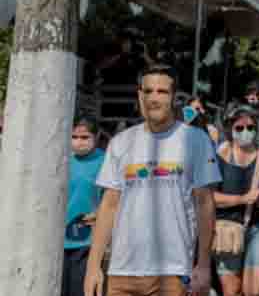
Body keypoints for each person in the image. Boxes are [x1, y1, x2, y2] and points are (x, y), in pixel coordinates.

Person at [84, 64, 221, 296]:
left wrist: (204, 264)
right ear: (139, 95)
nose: (153, 98)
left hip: (172, 272)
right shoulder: (120, 142)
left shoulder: (196, 140)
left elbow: (205, 204)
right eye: (148, 91)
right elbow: (109, 205)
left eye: (162, 92)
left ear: (174, 97)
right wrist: (93, 267)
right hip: (121, 272)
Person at [214, 105, 259, 296]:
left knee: (253, 291)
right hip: (227, 229)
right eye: (239, 128)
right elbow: (209, 197)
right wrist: (242, 199)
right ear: (230, 129)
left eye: (251, 127)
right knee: (232, 290)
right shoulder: (218, 156)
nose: (246, 132)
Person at [63, 119, 106, 296]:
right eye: (74, 137)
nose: (78, 142)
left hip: (87, 241)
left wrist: (99, 215)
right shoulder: (62, 159)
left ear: (96, 137)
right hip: (58, 240)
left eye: (84, 137)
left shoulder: (105, 161)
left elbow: (113, 199)